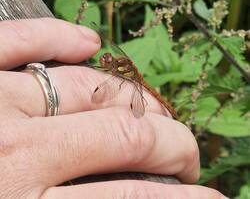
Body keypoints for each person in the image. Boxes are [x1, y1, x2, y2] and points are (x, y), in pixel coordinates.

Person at [0, 18, 228, 199]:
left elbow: (115, 91)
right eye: (106, 60)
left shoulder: (123, 75)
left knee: (131, 127)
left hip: (140, 88)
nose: (106, 61)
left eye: (109, 61)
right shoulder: (116, 65)